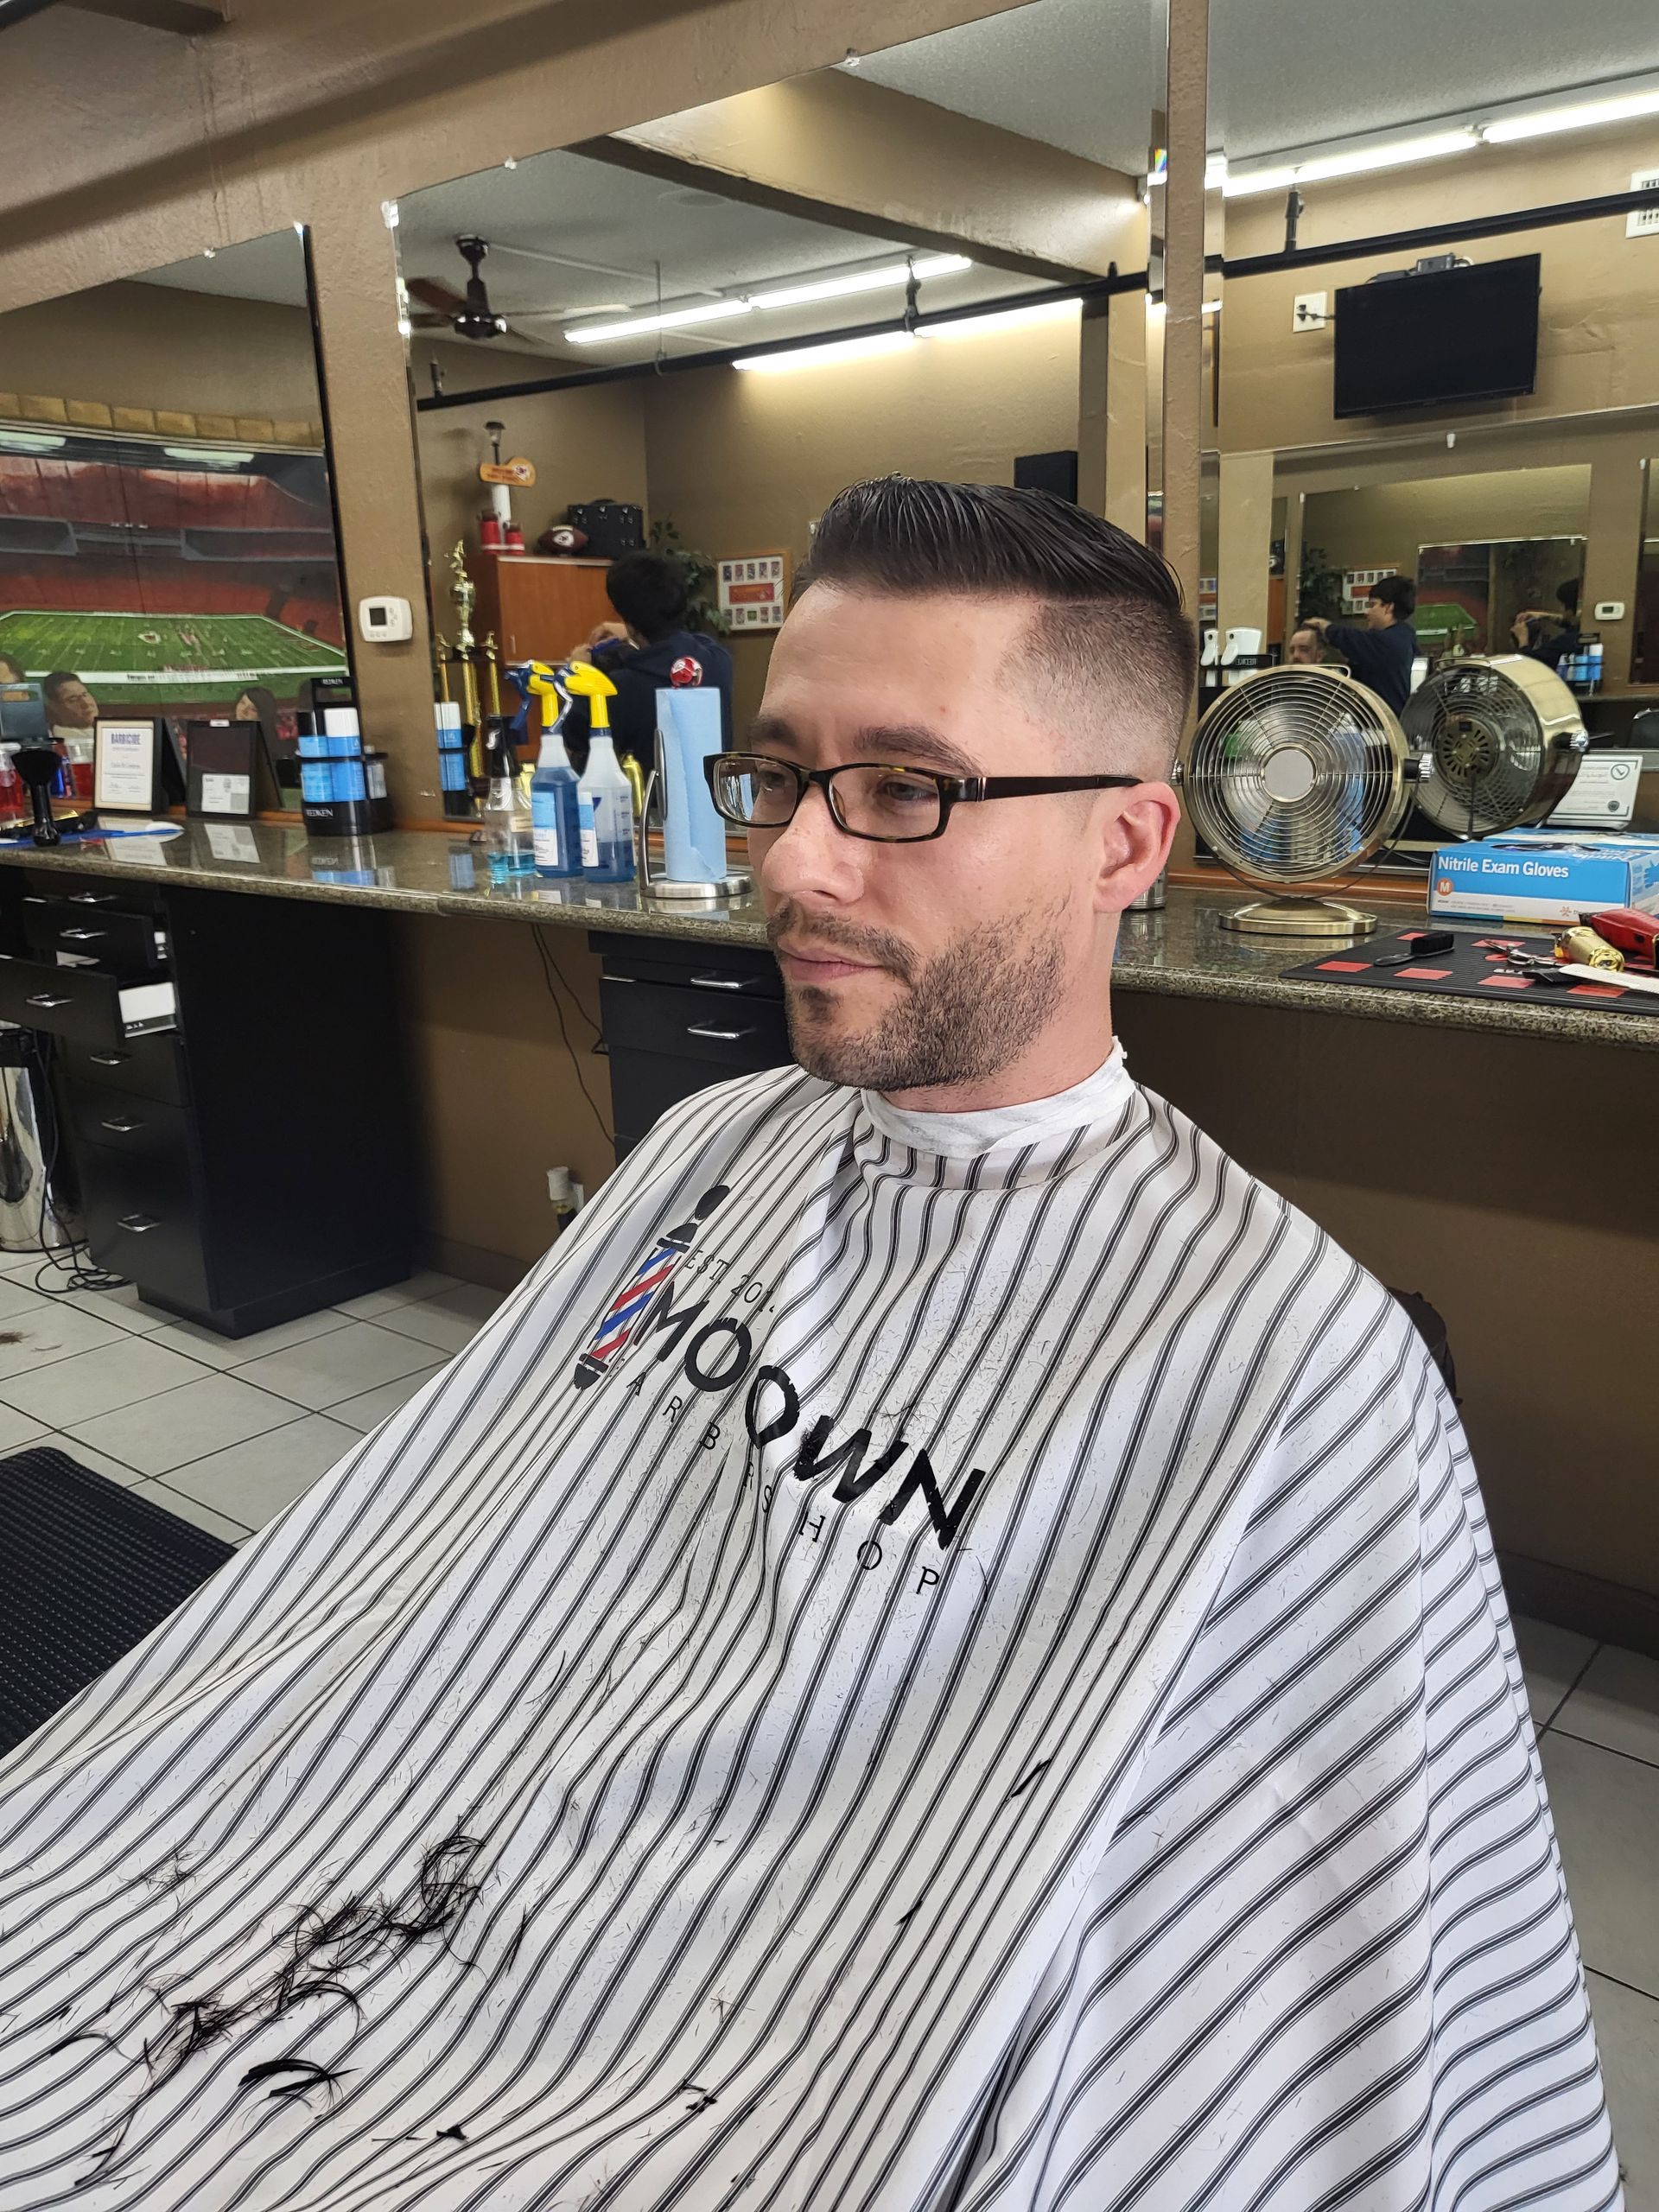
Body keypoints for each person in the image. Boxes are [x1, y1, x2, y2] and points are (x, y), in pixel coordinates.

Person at [0, 480, 1615, 2212]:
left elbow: (1306, 2008)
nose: (790, 860)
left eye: (905, 789)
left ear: (1128, 846)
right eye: (777, 778)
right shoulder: (714, 1147)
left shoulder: (1295, 1364)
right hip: (368, 1896)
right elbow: (452, 1563)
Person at [561, 548, 734, 772]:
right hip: (718, 803)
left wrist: (577, 673)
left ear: (622, 613)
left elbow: (572, 739)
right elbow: (683, 641)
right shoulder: (718, 660)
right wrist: (630, 628)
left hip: (645, 805)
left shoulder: (615, 689)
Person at [1307, 574, 1417, 709]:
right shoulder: (1403, 638)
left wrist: (1323, 625)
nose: (1367, 612)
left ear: (1389, 607)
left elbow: (1353, 639)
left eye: (1372, 605)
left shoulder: (1392, 641)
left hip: (1381, 727)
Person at [1512, 577, 1582, 672]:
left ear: (1573, 610)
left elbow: (1530, 662)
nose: (1560, 610)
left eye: (1562, 605)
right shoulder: (1584, 629)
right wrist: (1544, 616)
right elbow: (1569, 622)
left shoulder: (1567, 641)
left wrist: (1522, 639)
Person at [41, 668, 98, 740]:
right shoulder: (67, 742)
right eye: (73, 700)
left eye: (85, 695)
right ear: (54, 706)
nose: (86, 704)